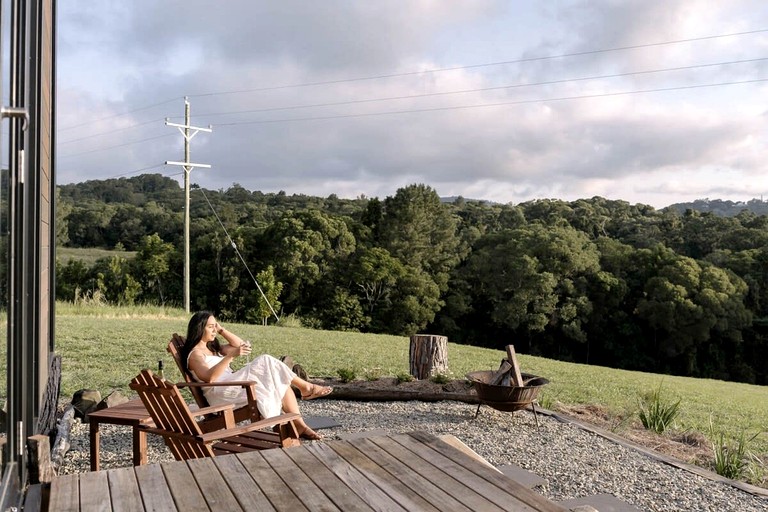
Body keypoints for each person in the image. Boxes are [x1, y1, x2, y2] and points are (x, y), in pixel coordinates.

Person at [180, 311, 332, 440]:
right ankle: (306, 388)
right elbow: (210, 378)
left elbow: (241, 345)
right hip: (220, 392)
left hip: (232, 386)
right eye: (210, 327)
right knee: (265, 360)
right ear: (200, 328)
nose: (214, 330)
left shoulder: (213, 348)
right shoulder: (195, 354)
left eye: (215, 326)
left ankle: (300, 425)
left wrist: (221, 330)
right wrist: (230, 356)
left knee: (280, 381)